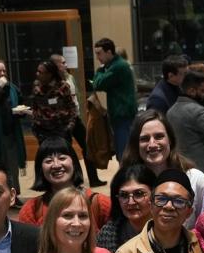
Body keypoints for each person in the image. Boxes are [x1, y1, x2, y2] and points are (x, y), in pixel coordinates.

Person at [121, 109, 204, 228]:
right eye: (145, 139)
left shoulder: (196, 179)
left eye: (159, 136)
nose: (152, 144)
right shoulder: (126, 186)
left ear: (170, 140)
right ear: (136, 145)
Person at [17, 136, 111, 237]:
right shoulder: (31, 210)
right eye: (49, 161)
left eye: (62, 158)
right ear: (40, 169)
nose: (56, 165)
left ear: (74, 163)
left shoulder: (99, 204)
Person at [49, 53, 100, 187]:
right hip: (62, 122)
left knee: (87, 146)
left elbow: (76, 97)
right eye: (63, 63)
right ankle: (74, 180)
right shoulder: (51, 82)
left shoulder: (70, 77)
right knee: (67, 151)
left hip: (75, 118)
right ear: (55, 66)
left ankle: (94, 179)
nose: (66, 65)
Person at [167, 69, 204, 177]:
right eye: (203, 90)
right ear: (191, 91)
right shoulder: (197, 111)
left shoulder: (170, 111)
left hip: (182, 166)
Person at [92, 37, 137, 163]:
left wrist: (100, 70)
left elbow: (97, 84)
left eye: (99, 53)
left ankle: (126, 179)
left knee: (123, 152)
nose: (97, 57)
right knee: (121, 149)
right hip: (120, 113)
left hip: (122, 114)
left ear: (109, 52)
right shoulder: (115, 65)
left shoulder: (118, 67)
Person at [97, 163, 155, 253]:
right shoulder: (107, 234)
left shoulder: (170, 229)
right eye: (124, 195)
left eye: (139, 193)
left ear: (154, 194)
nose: (131, 202)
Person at [28, 59, 77, 143]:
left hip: (62, 130)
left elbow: (72, 107)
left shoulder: (63, 86)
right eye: (37, 71)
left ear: (49, 74)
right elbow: (34, 107)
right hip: (43, 132)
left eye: (40, 72)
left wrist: (69, 127)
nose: (37, 74)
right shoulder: (37, 86)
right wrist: (36, 126)